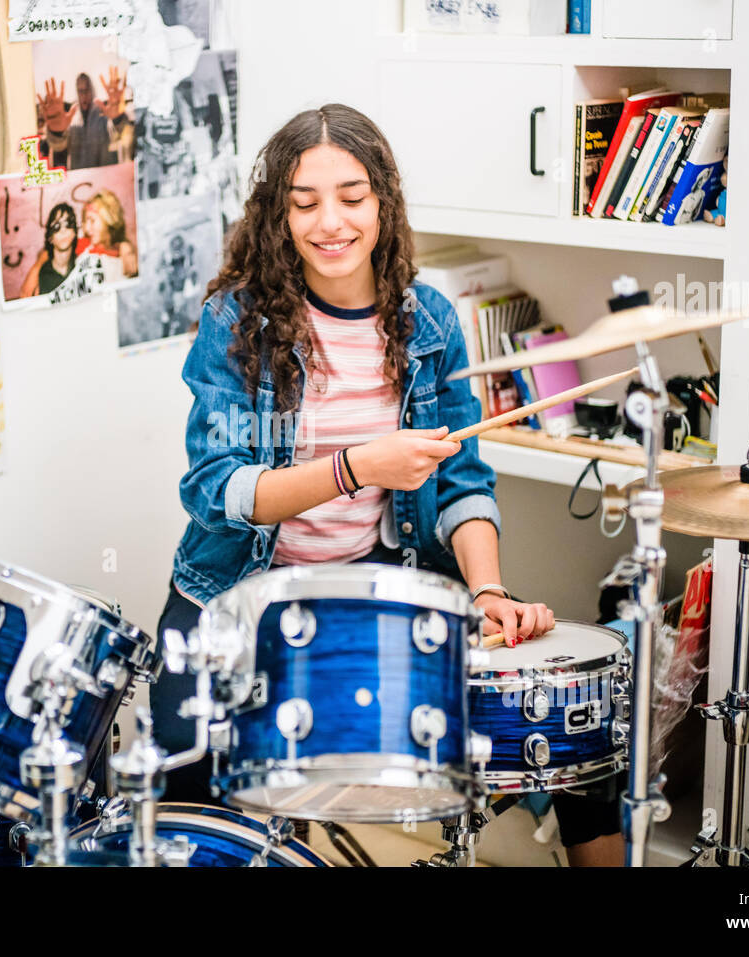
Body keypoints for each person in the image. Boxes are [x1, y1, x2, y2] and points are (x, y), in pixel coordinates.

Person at [149, 103, 623, 866]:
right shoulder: (234, 322)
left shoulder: (429, 321)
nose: (330, 221)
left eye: (352, 196)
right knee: (185, 786)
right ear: (277, 215)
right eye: (304, 203)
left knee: (568, 715)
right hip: (237, 593)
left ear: (384, 203)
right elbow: (217, 490)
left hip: (380, 588)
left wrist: (490, 592)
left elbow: (464, 476)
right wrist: (355, 467)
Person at [36, 68, 133, 170]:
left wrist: (118, 119)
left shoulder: (104, 115)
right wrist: (57, 133)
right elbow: (59, 146)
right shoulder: (71, 120)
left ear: (92, 90)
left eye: (87, 90)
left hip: (105, 182)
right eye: (80, 91)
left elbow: (122, 136)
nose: (84, 95)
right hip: (80, 183)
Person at [19, 203, 79, 299]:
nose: (63, 230)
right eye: (56, 226)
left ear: (75, 232)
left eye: (68, 224)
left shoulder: (82, 265)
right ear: (50, 237)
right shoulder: (41, 277)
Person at [78, 189, 138, 278]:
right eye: (85, 221)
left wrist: (126, 249)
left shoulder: (122, 252)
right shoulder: (83, 245)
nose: (87, 228)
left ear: (108, 220)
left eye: (92, 220)